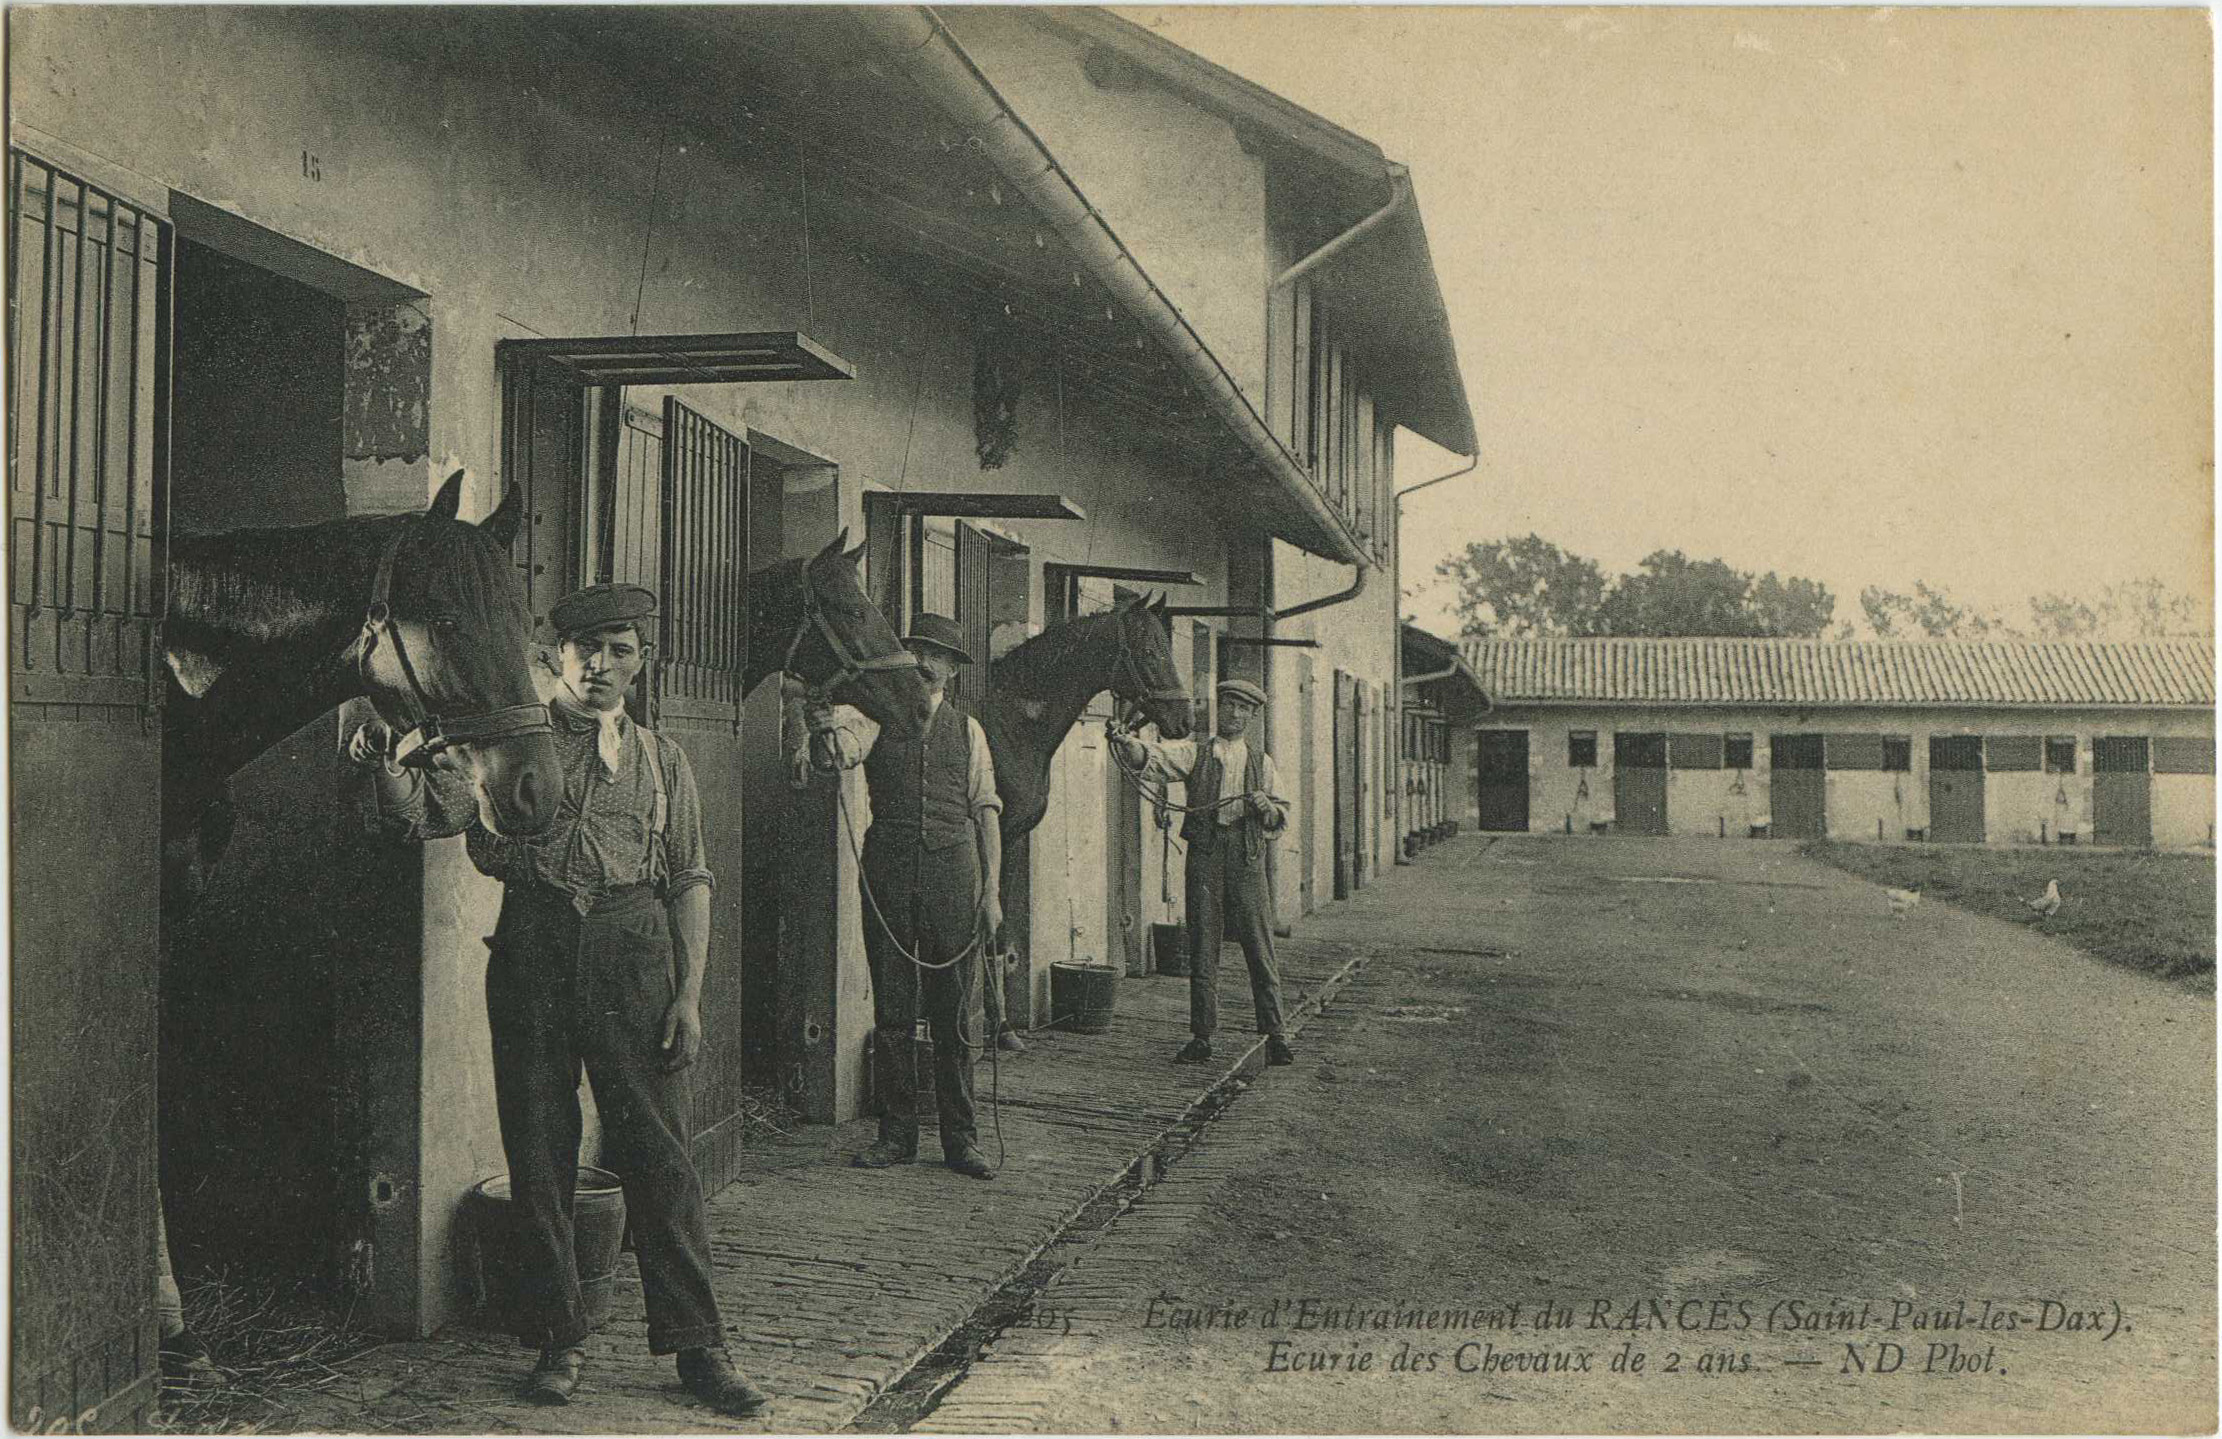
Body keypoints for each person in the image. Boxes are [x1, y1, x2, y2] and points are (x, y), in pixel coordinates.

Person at [347, 583, 767, 1416]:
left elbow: (690, 879)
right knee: (539, 1152)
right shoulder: (507, 743)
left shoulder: (663, 760)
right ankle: (558, 1338)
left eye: (620, 650)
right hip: (534, 949)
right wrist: (387, 772)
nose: (602, 666)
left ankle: (698, 1346)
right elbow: (426, 814)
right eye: (586, 650)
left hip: (633, 954)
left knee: (661, 1155)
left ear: (641, 663)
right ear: (554, 657)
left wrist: (688, 994)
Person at [788, 614, 1003, 1180]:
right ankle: (896, 1136)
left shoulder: (970, 730)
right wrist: (820, 728)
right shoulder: (874, 718)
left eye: (937, 655)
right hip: (886, 870)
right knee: (892, 1012)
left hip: (955, 876)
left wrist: (992, 892)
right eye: (916, 652)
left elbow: (987, 811)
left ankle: (962, 1140)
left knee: (953, 1014)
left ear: (954, 670)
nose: (925, 663)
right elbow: (840, 754)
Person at [1109, 677, 1295, 1067]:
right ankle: (1202, 1036)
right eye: (1228, 705)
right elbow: (1157, 758)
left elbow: (1282, 816)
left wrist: (1266, 807)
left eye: (1243, 708)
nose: (1234, 714)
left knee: (1260, 947)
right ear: (1218, 709)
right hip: (1206, 857)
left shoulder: (1263, 763)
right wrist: (1128, 743)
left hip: (1246, 859)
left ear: (1253, 716)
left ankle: (1275, 1034)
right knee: (1203, 947)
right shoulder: (1196, 754)